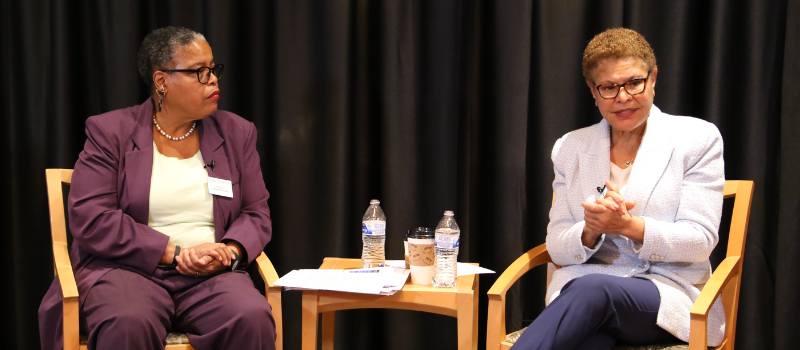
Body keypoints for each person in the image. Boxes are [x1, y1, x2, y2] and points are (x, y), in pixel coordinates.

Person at [38, 26, 276, 350]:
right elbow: (91, 216)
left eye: (213, 69)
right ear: (162, 81)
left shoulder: (237, 133)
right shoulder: (111, 132)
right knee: (128, 321)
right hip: (127, 271)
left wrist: (230, 252)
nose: (213, 80)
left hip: (212, 275)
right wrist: (174, 254)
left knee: (251, 316)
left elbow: (255, 213)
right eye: (199, 72)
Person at [511, 28, 726, 349]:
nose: (622, 97)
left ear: (653, 79)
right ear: (593, 91)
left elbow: (700, 242)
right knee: (590, 340)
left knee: (593, 290)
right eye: (608, 87)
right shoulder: (571, 147)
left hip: (668, 294)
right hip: (585, 302)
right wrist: (589, 231)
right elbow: (556, 244)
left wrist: (631, 227)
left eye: (634, 83)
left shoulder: (696, 138)